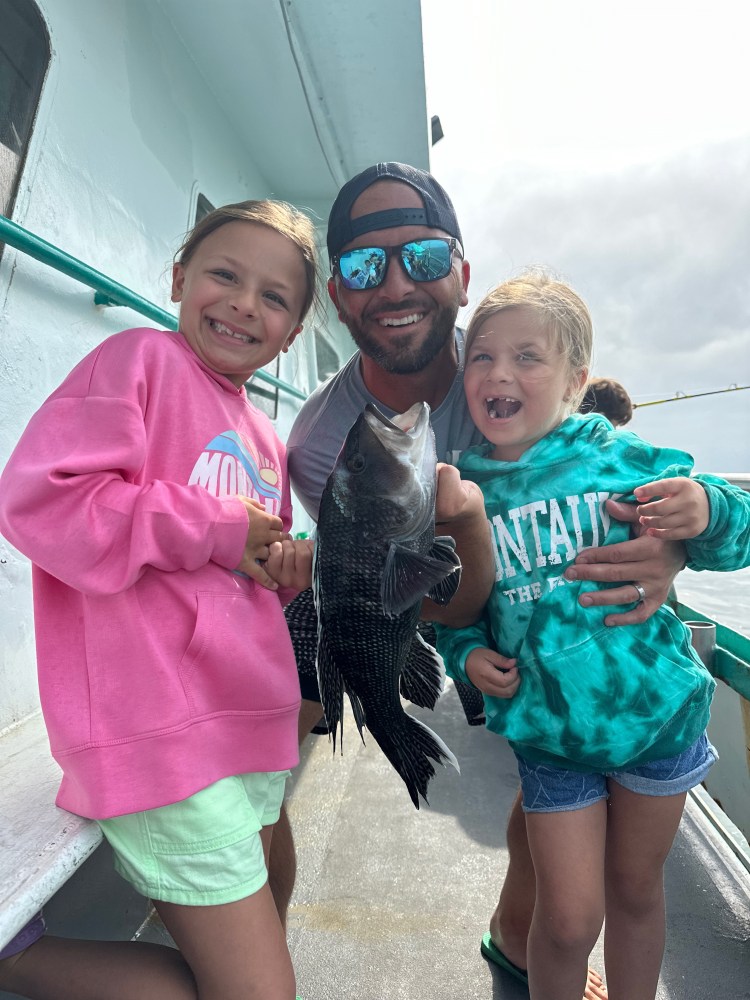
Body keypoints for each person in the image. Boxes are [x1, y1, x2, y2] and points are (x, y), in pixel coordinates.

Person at [272, 162, 690, 997]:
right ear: (338, 298)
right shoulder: (322, 442)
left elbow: (614, 482)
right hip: (402, 591)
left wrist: (673, 545)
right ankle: (253, 948)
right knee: (269, 751)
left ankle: (513, 932)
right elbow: (422, 602)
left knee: (551, 744)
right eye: (361, 267)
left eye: (422, 258)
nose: (394, 283)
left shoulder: (507, 368)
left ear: (461, 276)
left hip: (529, 607)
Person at [0, 200, 319, 1000]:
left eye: (275, 298)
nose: (246, 302)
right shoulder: (137, 360)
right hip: (158, 731)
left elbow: (239, 576)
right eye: (224, 274)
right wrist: (217, 529)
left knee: (273, 902)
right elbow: (43, 504)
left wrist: (281, 569)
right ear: (179, 279)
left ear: (291, 333)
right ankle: (17, 959)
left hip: (248, 720)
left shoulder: (266, 438)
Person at [435, 270, 750, 1000]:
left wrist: (707, 505)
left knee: (637, 894)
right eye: (482, 356)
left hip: (658, 721)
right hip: (551, 736)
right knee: (571, 919)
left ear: (576, 379)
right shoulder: (458, 490)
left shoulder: (626, 460)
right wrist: (466, 654)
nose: (499, 372)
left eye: (526, 356)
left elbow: (734, 537)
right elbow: (454, 604)